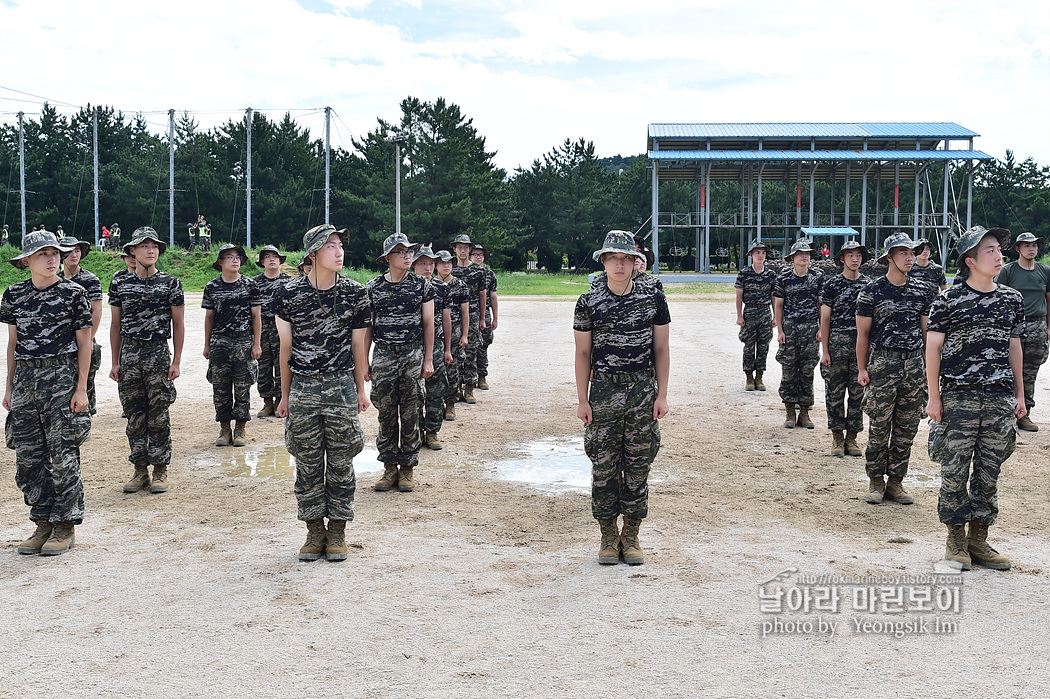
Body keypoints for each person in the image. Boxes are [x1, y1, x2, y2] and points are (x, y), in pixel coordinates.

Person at [926, 226, 1024, 571]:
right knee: (954, 471)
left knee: (989, 471)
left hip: (997, 399)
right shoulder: (948, 300)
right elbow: (933, 348)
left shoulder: (1012, 299)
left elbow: (1014, 347)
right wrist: (934, 397)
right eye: (990, 251)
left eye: (999, 250)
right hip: (957, 398)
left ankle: (978, 540)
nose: (999, 256)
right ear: (970, 261)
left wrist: (1019, 396)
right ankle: (955, 539)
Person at [275, 225, 371, 562]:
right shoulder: (287, 295)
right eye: (330, 246)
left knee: (342, 460)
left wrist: (360, 389)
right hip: (302, 388)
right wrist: (285, 396)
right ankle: (314, 531)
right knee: (307, 461)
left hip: (340, 386)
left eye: (341, 245)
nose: (339, 251)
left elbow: (359, 344)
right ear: (313, 254)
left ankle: (338, 533)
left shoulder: (356, 294)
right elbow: (285, 348)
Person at [575, 230, 670, 566]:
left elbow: (660, 348)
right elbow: (583, 353)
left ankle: (631, 535)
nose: (619, 264)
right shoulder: (588, 302)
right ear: (603, 261)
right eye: (612, 258)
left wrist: (663, 394)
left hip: (643, 391)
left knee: (638, 466)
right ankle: (607, 535)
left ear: (634, 263)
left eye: (625, 258)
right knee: (603, 466)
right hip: (603, 391)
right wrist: (583, 399)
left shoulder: (653, 298)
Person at [2, 231, 92, 556]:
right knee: (28, 456)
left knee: (64, 454)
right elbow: (14, 343)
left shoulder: (73, 294)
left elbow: (85, 343)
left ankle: (65, 525)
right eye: (43, 254)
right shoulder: (13, 296)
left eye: (55, 253)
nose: (53, 259)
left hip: (61, 377)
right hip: (26, 377)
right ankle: (42, 521)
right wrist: (10, 386)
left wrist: (81, 388)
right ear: (26, 260)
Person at [855, 232, 937, 505]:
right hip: (882, 365)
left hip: (914, 365)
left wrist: (928, 370)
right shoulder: (872, 291)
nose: (910, 257)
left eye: (912, 252)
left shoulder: (923, 290)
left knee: (906, 427)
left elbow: (928, 334)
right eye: (903, 252)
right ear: (889, 257)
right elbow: (863, 335)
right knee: (879, 425)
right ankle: (876, 481)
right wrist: (862, 369)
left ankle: (896, 482)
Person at [109, 227, 185, 495]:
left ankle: (160, 469)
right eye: (144, 246)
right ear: (132, 251)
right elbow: (116, 325)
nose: (150, 251)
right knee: (134, 414)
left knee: (158, 414)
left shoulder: (170, 283)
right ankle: (140, 470)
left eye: (154, 246)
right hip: (129, 354)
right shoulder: (120, 283)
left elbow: (178, 324)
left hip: (157, 353)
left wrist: (175, 361)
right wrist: (115, 362)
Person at [366, 233, 435, 493]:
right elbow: (368, 327)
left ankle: (407, 469)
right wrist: (364, 363)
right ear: (387, 258)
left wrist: (428, 359)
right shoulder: (373, 287)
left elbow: (428, 323)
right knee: (385, 414)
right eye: (400, 252)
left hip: (412, 355)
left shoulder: (421, 285)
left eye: (409, 252)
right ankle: (389, 468)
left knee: (410, 413)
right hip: (383, 355)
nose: (407, 256)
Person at [203, 243, 262, 447]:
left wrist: (256, 343)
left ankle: (240, 429)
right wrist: (207, 344)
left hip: (243, 341)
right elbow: (209, 317)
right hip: (219, 342)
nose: (235, 260)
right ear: (220, 262)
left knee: (243, 385)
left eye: (238, 257)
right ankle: (224, 428)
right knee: (220, 387)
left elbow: (256, 316)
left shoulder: (250, 285)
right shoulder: (212, 287)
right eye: (230, 257)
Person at [819, 240, 871, 457]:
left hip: (861, 344)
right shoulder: (832, 285)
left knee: (858, 394)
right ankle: (837, 438)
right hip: (837, 343)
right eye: (850, 255)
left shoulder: (869, 285)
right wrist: (825, 350)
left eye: (858, 255)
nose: (855, 259)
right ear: (842, 259)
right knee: (835, 392)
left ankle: (852, 438)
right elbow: (825, 318)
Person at [994, 231, 1050, 431]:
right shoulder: (1008, 271)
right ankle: (1006, 412)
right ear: (1018, 249)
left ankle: (1025, 413)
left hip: (1037, 326)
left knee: (1029, 373)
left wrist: (1048, 328)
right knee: (1008, 370)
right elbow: (999, 300)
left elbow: (1048, 301)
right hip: (1013, 327)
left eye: (1034, 245)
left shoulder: (1044, 271)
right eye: (1027, 245)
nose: (1032, 249)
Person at [773, 239, 822, 429]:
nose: (805, 256)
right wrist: (780, 330)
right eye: (801, 253)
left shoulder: (817, 277)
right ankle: (789, 411)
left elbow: (820, 304)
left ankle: (804, 412)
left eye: (808, 253)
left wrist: (820, 329)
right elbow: (778, 305)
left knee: (807, 371)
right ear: (792, 257)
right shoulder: (783, 278)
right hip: (790, 329)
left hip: (810, 329)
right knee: (788, 371)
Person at [413, 244, 453, 449]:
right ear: (414, 265)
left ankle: (432, 431)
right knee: (415, 392)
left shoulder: (442, 288)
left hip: (436, 344)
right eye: (422, 263)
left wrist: (447, 348)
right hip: (413, 346)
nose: (427, 267)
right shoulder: (410, 287)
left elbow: (447, 319)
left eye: (431, 263)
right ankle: (418, 430)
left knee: (436, 389)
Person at [59, 236, 104, 416]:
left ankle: (86, 418)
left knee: (86, 381)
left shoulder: (90, 280)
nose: (74, 254)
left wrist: (89, 339)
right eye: (69, 250)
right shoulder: (54, 279)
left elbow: (97, 311)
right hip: (61, 340)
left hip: (84, 337)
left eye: (77, 250)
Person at [254, 245, 292, 418]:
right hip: (262, 329)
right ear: (262, 262)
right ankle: (267, 402)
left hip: (282, 328)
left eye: (275, 256)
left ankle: (280, 400)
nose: (271, 259)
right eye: (267, 256)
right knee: (263, 367)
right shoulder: (254, 283)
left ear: (280, 260)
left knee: (282, 364)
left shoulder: (290, 282)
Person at [735, 240, 777, 391]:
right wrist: (739, 316)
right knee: (748, 346)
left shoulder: (771, 274)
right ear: (751, 255)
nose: (761, 255)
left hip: (765, 312)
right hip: (750, 312)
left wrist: (775, 316)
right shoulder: (744, 273)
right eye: (758, 252)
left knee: (764, 345)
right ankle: (748, 377)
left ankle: (759, 377)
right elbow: (739, 296)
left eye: (763, 253)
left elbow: (774, 296)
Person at [450, 234, 485, 404]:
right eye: (459, 247)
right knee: (456, 355)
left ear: (469, 249)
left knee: (471, 352)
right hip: (454, 317)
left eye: (465, 247)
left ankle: (469, 387)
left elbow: (482, 294)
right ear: (454, 249)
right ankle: (456, 388)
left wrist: (482, 318)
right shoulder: (451, 269)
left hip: (472, 314)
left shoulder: (479, 270)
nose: (462, 250)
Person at [435, 250, 469, 422]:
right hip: (435, 332)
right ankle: (437, 404)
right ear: (436, 265)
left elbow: (465, 312)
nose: (446, 266)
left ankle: (450, 404)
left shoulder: (460, 285)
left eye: (449, 263)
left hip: (454, 331)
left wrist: (464, 334)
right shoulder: (431, 285)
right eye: (442, 263)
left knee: (452, 370)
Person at [470, 243, 498, 390]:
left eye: (480, 255)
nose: (478, 257)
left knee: (483, 345)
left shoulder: (489, 274)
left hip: (484, 312)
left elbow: (493, 296)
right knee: (468, 347)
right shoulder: (462, 272)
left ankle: (482, 376)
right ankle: (468, 378)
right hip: (468, 312)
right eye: (475, 254)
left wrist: (495, 317)